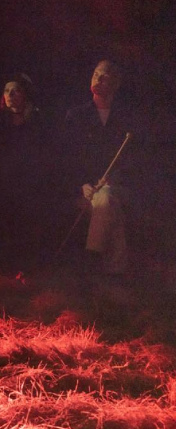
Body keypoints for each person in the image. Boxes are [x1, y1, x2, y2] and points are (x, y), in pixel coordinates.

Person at [62, 60, 135, 275]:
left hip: (118, 187)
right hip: (88, 189)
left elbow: (132, 162)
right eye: (96, 74)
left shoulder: (125, 118)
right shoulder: (76, 116)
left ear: (116, 84)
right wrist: (82, 185)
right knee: (109, 205)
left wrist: (114, 178)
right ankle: (116, 270)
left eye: (105, 77)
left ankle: (91, 260)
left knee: (106, 195)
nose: (98, 79)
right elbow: (67, 160)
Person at [0, 74, 50, 271]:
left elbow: (43, 156)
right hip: (0, 181)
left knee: (29, 208)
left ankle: (27, 264)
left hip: (29, 182)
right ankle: (0, 263)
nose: (10, 95)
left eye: (15, 91)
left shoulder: (37, 120)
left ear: (25, 94)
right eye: (7, 91)